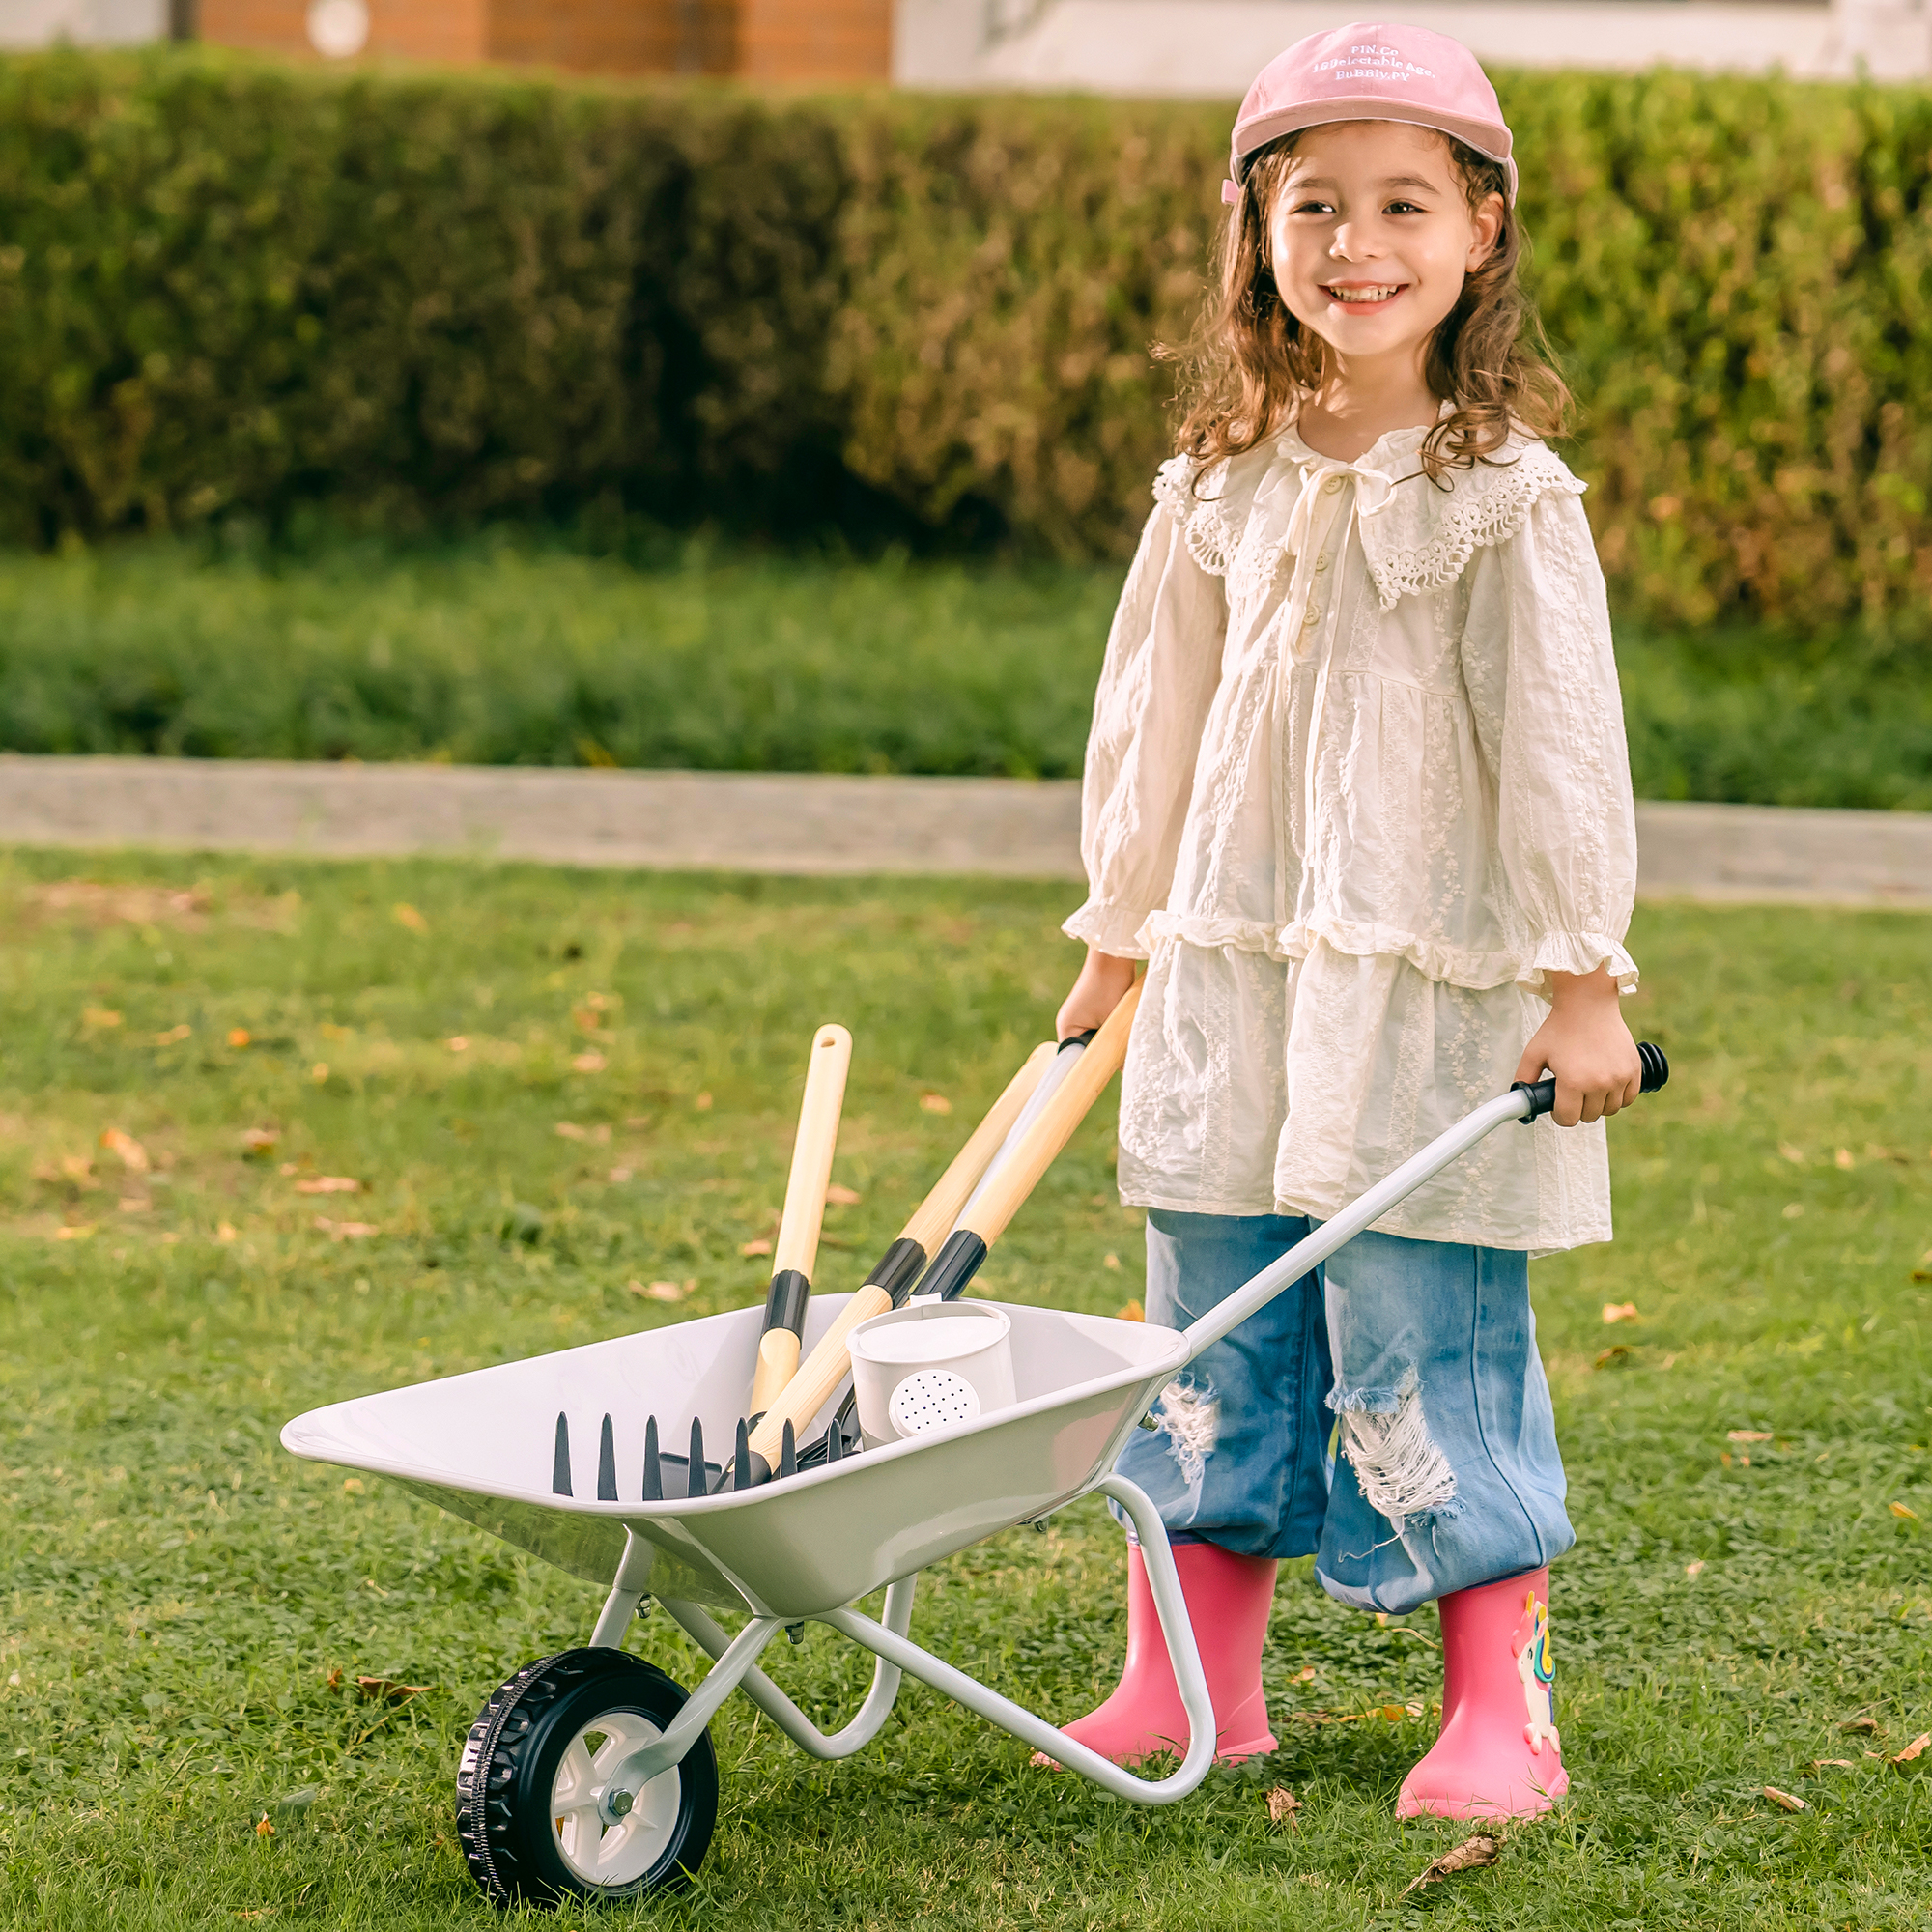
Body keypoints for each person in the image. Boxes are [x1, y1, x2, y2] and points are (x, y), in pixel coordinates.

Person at [1046, 21, 1641, 1819]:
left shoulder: (1500, 500)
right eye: (1315, 205)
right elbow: (1156, 729)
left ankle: (1498, 1699)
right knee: (1208, 1325)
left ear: (1482, 232)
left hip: (1425, 994)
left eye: (1403, 205)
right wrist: (1120, 938)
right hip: (1237, 974)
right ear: (1255, 232)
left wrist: (1581, 979)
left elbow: (1555, 749)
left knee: (1423, 1323)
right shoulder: (1214, 483)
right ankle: (1193, 1679)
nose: (1358, 244)